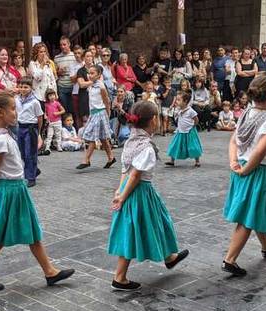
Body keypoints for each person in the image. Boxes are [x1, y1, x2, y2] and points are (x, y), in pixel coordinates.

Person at [0, 90, 74, 292]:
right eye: (12, 109)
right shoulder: (0, 139)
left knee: (31, 231)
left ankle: (49, 271)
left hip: (14, 189)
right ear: (0, 112)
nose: (15, 113)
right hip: (10, 190)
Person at [106, 100, 189, 291]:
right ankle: (119, 277)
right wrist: (123, 195)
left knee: (157, 222)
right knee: (135, 229)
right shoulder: (147, 147)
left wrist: (120, 190)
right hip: (140, 193)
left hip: (131, 190)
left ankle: (170, 257)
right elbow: (135, 174)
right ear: (153, 120)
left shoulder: (130, 141)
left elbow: (125, 170)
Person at [222, 75, 266, 277]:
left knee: (254, 209)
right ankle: (230, 259)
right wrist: (247, 169)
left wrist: (234, 162)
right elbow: (258, 153)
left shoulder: (246, 114)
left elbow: (233, 141)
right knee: (247, 218)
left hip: (240, 165)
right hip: (255, 171)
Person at [76, 65, 116, 170]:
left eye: (93, 73)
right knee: (102, 137)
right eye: (89, 73)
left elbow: (106, 101)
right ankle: (111, 157)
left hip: (100, 113)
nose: (90, 75)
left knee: (93, 136)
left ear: (99, 75)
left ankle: (86, 160)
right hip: (93, 113)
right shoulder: (91, 85)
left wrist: (107, 114)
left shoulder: (101, 86)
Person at [15, 76, 43, 187]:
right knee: (21, 152)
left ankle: (30, 177)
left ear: (31, 88)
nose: (23, 89)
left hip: (31, 128)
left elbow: (40, 117)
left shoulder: (35, 102)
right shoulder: (16, 99)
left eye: (26, 87)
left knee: (30, 153)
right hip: (20, 127)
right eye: (21, 87)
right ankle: (34, 170)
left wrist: (38, 131)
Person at [165, 90, 202, 168]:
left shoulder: (190, 111)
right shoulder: (178, 109)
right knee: (174, 145)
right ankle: (172, 161)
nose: (176, 101)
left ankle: (197, 161)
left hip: (189, 131)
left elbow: (196, 119)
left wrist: (193, 126)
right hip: (180, 131)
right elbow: (176, 118)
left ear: (185, 101)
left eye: (179, 100)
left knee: (193, 146)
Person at [44, 89, 65, 153]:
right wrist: (45, 116)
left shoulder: (57, 103)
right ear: (47, 97)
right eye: (50, 95)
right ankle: (47, 147)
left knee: (58, 134)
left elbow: (63, 110)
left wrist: (57, 113)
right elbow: (45, 112)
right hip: (50, 122)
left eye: (53, 95)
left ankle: (59, 146)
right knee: (49, 135)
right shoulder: (46, 104)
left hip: (57, 121)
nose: (52, 97)